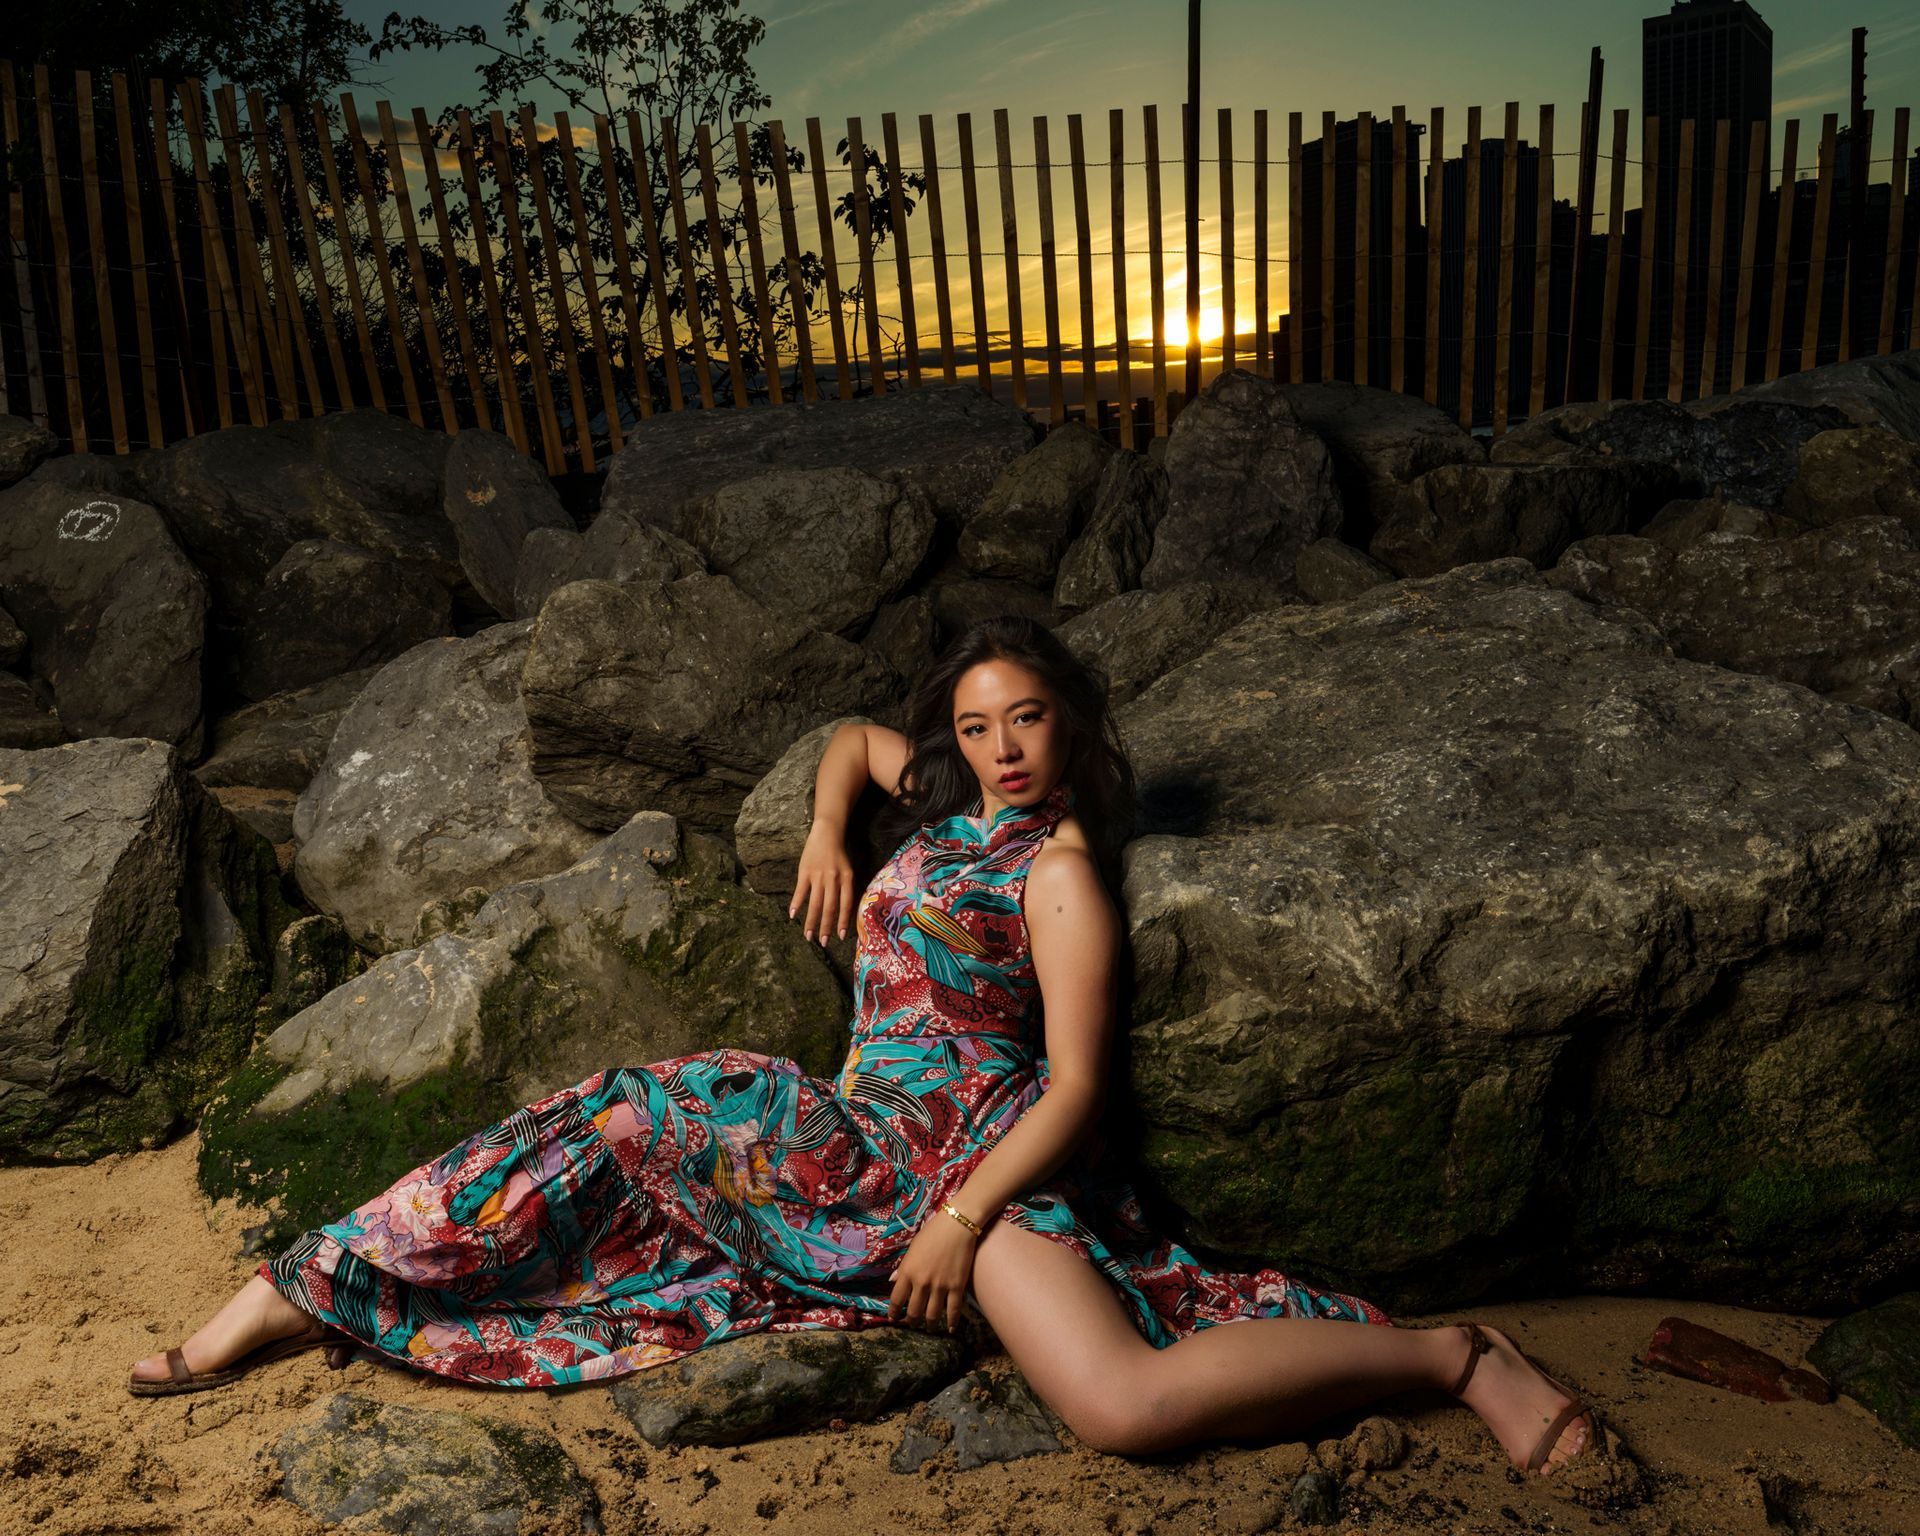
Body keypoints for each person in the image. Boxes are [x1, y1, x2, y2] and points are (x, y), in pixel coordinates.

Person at [130, 616, 1605, 1476]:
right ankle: (301, 1286)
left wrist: (962, 1220)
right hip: (844, 1138)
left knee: (1124, 1409)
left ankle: (1453, 1358)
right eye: (977, 725)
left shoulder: (1060, 876)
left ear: (1074, 725)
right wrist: (833, 833)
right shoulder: (950, 802)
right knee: (610, 1116)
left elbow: (1079, 1089)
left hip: (987, 1167)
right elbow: (845, 736)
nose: (1002, 748)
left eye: (1028, 719)